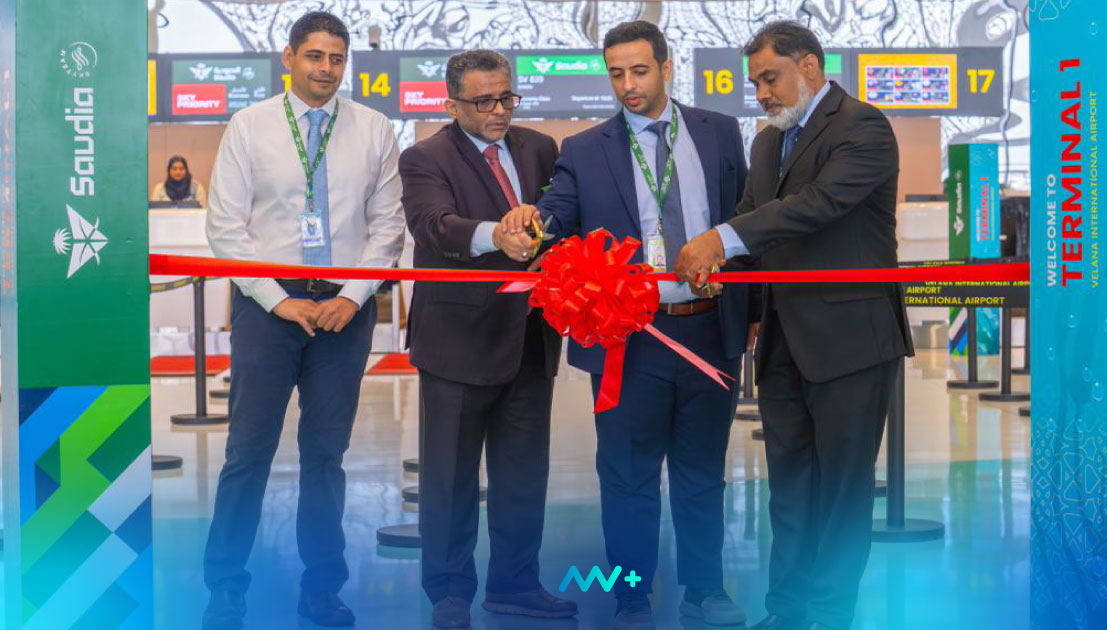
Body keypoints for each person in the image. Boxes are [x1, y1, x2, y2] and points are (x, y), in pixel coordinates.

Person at [500, 21, 753, 630]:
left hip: (708, 329)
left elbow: (746, 221)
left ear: (666, 67)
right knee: (626, 474)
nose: (627, 85)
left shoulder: (720, 133)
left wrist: (753, 315)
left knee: (702, 472)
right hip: (628, 337)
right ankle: (632, 595)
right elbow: (557, 215)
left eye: (639, 71)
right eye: (616, 74)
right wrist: (531, 225)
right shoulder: (585, 149)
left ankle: (704, 589)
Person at [674, 21, 914, 630]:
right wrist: (704, 268)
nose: (761, 94)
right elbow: (753, 225)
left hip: (851, 344)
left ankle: (831, 616)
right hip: (782, 344)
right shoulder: (766, 144)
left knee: (841, 493)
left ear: (809, 66)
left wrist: (720, 239)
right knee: (789, 490)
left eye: (769, 78)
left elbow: (817, 206)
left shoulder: (862, 126)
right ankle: (787, 611)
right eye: (755, 83)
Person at [202, 11, 405, 630]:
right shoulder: (249, 125)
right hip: (269, 307)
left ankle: (322, 588)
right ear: (288, 58)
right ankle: (225, 587)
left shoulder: (374, 129)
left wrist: (354, 296)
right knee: (247, 452)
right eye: (315, 56)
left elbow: (388, 227)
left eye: (337, 58)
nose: (326, 69)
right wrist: (276, 299)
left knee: (325, 455)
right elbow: (226, 226)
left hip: (345, 309)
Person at [399, 49, 576, 629]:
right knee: (449, 478)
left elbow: (560, 217)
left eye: (506, 97)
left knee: (522, 476)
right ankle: (449, 593)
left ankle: (516, 585)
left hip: (530, 339)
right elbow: (434, 226)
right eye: (483, 101)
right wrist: (495, 235)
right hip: (457, 343)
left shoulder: (541, 148)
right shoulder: (425, 158)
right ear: (452, 105)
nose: (499, 110)